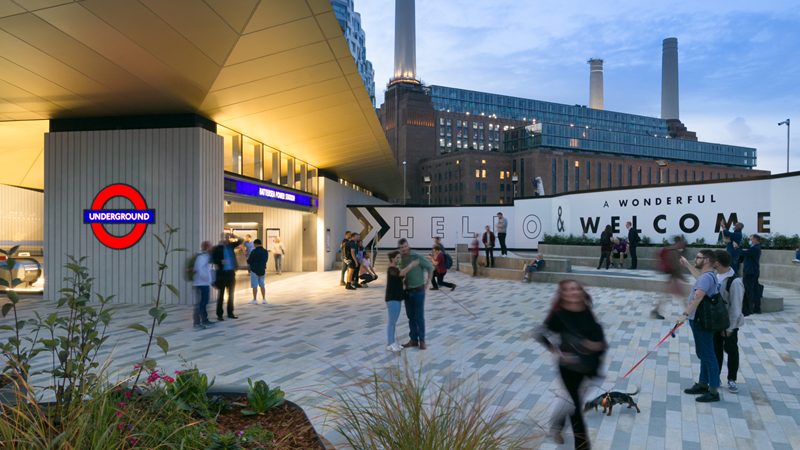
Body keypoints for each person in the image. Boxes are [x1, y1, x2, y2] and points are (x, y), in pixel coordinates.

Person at [535, 280, 607, 449]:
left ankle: (557, 427)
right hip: (568, 368)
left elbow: (597, 337)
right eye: (567, 290)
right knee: (576, 408)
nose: (572, 292)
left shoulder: (586, 310)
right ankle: (582, 446)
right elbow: (540, 333)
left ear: (581, 291)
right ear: (562, 294)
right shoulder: (559, 314)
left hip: (588, 366)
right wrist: (557, 351)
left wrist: (597, 345)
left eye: (575, 289)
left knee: (573, 402)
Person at [677, 249, 721, 403]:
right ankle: (703, 384)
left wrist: (684, 315)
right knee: (704, 354)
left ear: (707, 260)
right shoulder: (709, 276)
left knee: (708, 355)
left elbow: (697, 298)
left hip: (701, 321)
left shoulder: (706, 278)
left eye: (698, 257)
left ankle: (713, 390)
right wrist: (688, 265)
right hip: (704, 321)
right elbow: (699, 280)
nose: (696, 259)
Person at [397, 238, 435, 350]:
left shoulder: (416, 256)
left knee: (419, 317)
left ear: (408, 245)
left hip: (419, 291)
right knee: (410, 317)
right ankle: (413, 340)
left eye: (405, 246)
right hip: (407, 291)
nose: (404, 249)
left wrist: (428, 282)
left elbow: (429, 267)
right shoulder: (400, 258)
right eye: (401, 247)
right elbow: (398, 271)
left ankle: (422, 341)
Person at [385, 251, 418, 352]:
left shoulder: (395, 269)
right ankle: (390, 343)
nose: (399, 259)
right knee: (391, 321)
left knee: (393, 322)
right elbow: (400, 273)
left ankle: (392, 342)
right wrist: (411, 265)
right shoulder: (391, 269)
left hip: (397, 298)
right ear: (392, 259)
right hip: (392, 299)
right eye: (398, 257)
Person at [651, 236, 686, 320]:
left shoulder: (670, 249)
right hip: (672, 276)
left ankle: (656, 310)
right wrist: (682, 277)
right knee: (680, 294)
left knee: (671, 294)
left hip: (671, 276)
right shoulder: (674, 251)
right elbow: (675, 267)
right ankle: (688, 313)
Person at [212, 233, 242, 320]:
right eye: (225, 238)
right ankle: (220, 314)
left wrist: (233, 235)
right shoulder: (217, 248)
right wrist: (220, 261)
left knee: (231, 294)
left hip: (231, 273)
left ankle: (230, 312)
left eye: (228, 238)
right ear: (222, 238)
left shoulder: (231, 246)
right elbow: (213, 259)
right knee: (221, 295)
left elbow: (241, 240)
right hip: (222, 274)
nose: (227, 239)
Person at [192, 241, 216, 330]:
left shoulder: (206, 257)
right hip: (200, 283)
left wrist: (210, 280)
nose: (212, 248)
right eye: (210, 246)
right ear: (206, 247)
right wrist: (205, 277)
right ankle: (197, 322)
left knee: (204, 302)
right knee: (201, 303)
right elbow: (198, 268)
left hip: (205, 283)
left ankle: (204, 319)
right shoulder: (201, 257)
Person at [740, 234, 762, 314]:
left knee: (750, 290)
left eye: (751, 239)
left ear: (756, 240)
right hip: (753, 271)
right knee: (755, 290)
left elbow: (744, 253)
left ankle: (750, 307)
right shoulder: (754, 248)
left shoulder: (755, 248)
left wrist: (736, 247)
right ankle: (756, 307)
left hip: (750, 272)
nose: (750, 241)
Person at [246, 239, 269, 305]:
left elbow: (249, 261)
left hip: (254, 270)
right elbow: (266, 260)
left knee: (254, 285)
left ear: (255, 244)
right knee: (262, 284)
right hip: (262, 270)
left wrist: (247, 260)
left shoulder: (254, 251)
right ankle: (264, 299)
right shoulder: (265, 251)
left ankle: (255, 299)